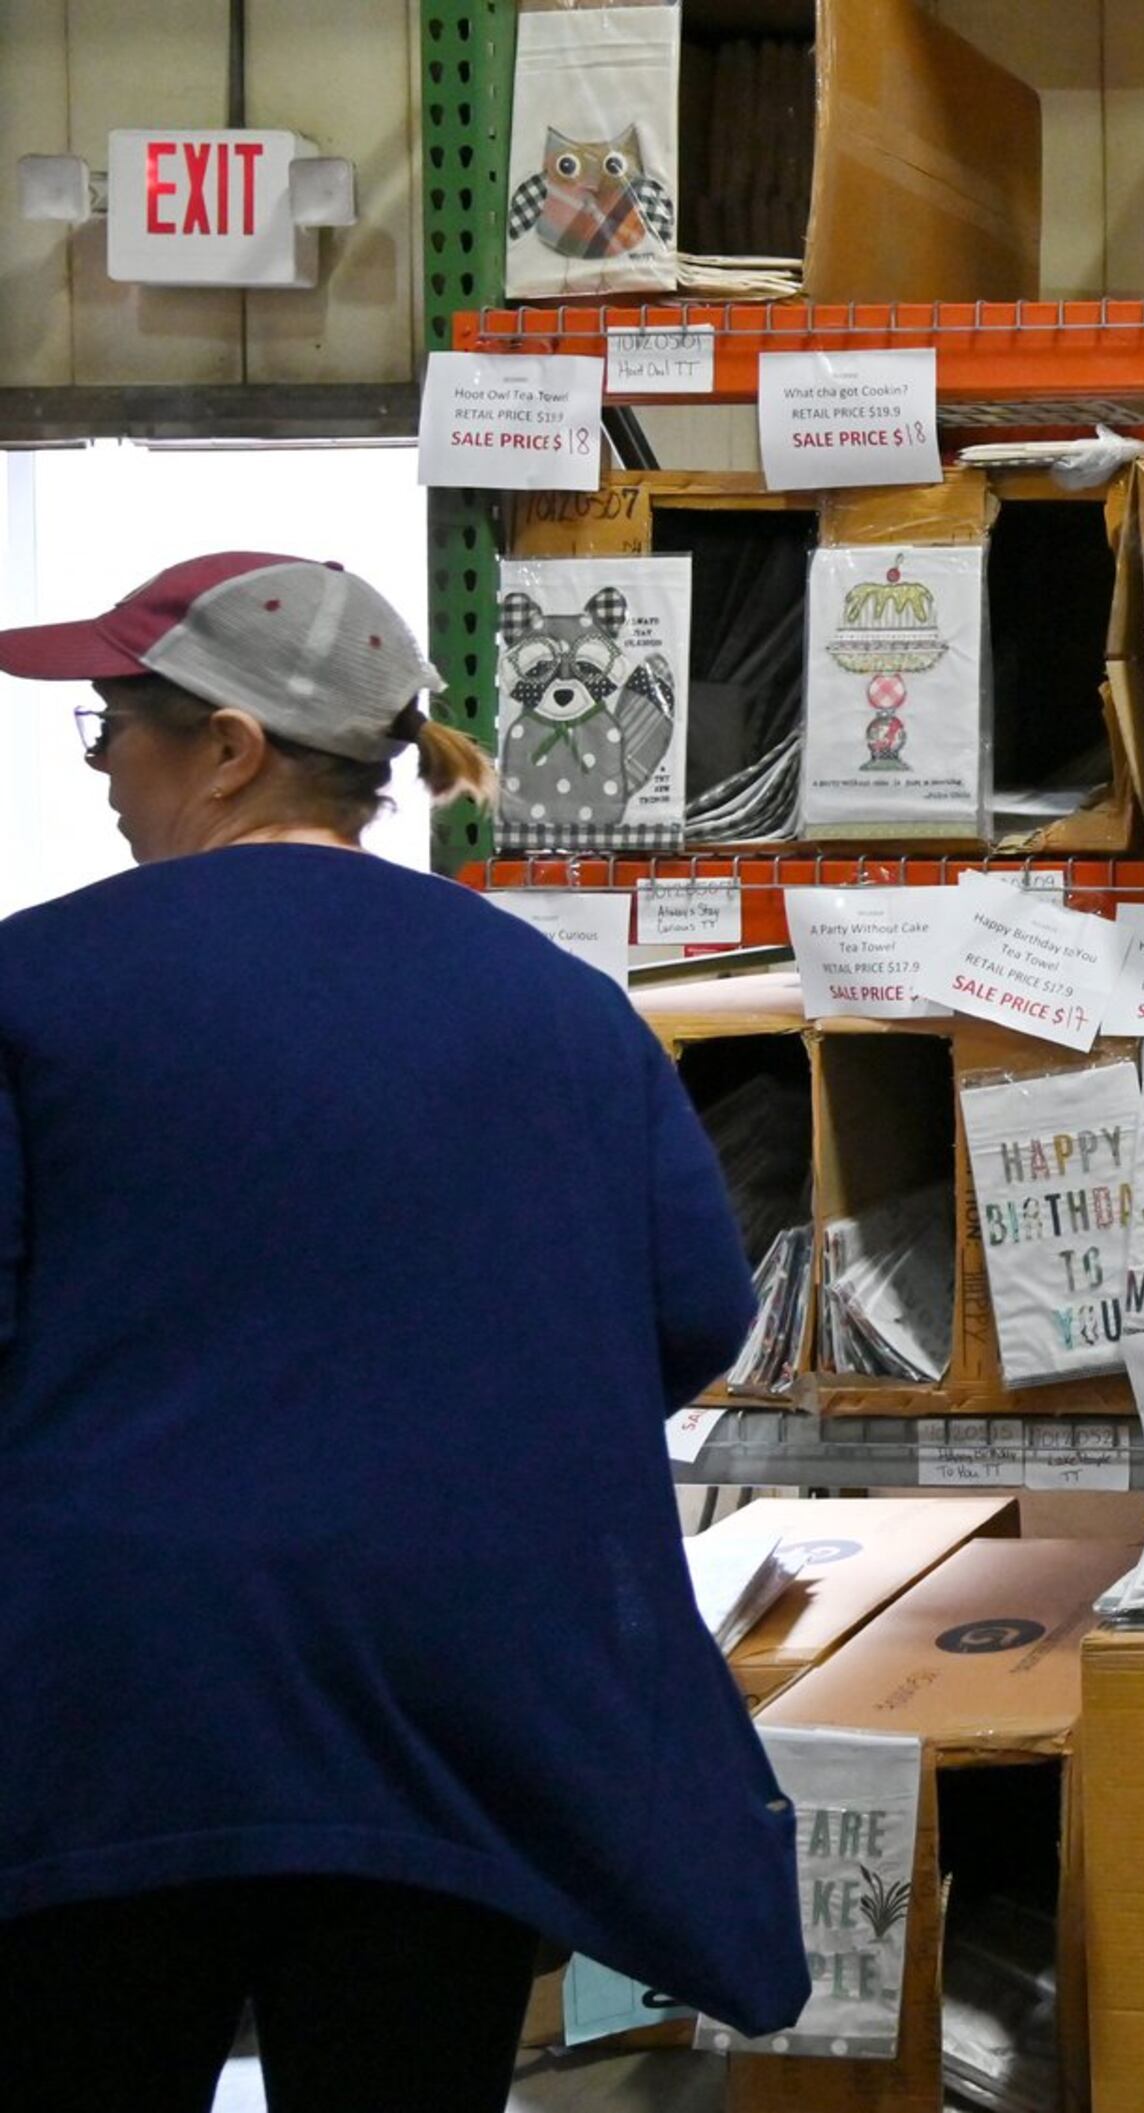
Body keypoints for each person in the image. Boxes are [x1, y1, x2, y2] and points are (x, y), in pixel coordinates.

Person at [0, 554, 806, 2111]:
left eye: (111, 729)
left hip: (117, 1709)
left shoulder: (36, 986)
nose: (103, 772)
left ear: (229, 747)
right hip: (455, 1709)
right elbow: (702, 1309)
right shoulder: (567, 1010)